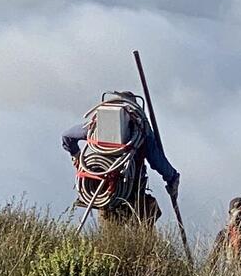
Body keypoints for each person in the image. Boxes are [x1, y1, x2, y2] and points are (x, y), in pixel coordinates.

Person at [62, 91, 179, 226]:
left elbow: (67, 137)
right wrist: (172, 178)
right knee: (143, 232)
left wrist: (77, 157)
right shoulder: (141, 131)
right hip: (131, 197)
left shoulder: (95, 127)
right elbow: (157, 161)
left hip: (104, 196)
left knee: (109, 239)